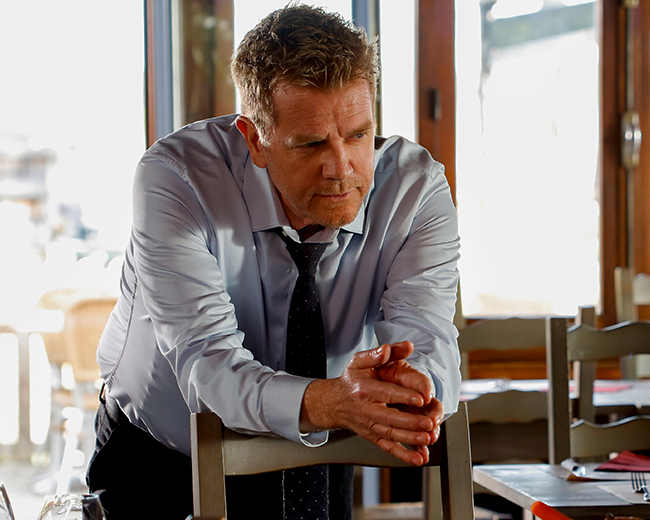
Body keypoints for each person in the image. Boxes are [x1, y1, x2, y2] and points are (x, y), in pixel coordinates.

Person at [85, 5, 461, 520]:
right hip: (162, 454)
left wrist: (411, 385)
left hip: (323, 437)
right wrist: (334, 402)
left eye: (357, 135)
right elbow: (208, 366)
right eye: (311, 143)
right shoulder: (177, 179)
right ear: (254, 139)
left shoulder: (415, 191)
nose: (341, 168)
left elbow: (429, 337)